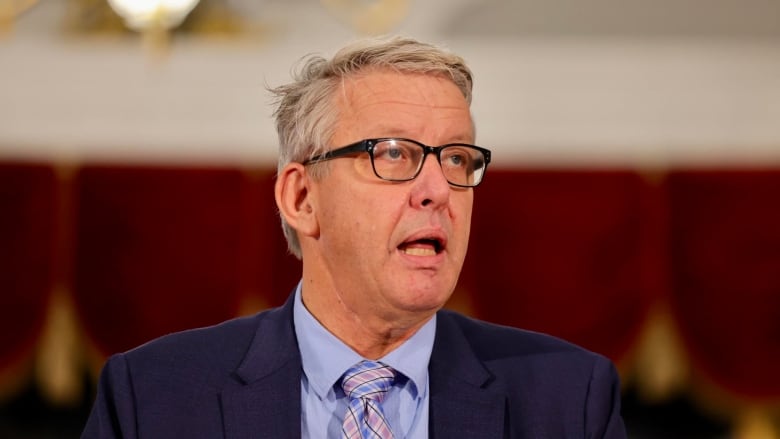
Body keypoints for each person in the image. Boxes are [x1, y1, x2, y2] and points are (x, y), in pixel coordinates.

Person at [82, 36, 626, 438]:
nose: (437, 189)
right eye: (393, 154)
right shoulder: (152, 399)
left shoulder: (569, 400)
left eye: (457, 158)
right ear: (301, 199)